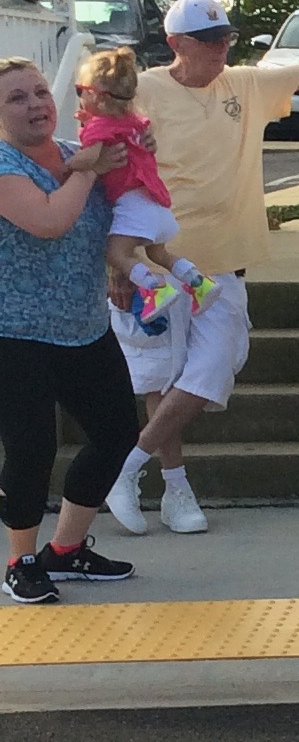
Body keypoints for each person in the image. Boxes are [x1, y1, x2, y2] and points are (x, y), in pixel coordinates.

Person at [108, 0, 299, 537]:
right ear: (176, 43)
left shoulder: (244, 83)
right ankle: (175, 489)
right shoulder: (142, 91)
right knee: (161, 378)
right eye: (208, 39)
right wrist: (115, 264)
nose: (220, 48)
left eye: (225, 37)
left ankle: (126, 467)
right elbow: (110, 174)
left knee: (214, 367)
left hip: (222, 266)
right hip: (155, 263)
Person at [0, 56, 142, 604]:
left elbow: (121, 212)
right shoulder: (9, 164)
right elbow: (49, 221)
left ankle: (66, 548)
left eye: (40, 92)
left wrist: (137, 154)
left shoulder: (76, 151)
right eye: (17, 98)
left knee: (117, 434)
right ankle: (20, 559)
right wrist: (87, 169)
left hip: (84, 325)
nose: (36, 104)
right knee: (31, 450)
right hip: (15, 333)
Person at [70, 46, 216, 327]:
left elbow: (89, 157)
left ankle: (154, 289)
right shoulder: (135, 122)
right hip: (157, 204)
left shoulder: (100, 126)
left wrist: (65, 165)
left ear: (97, 97)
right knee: (158, 253)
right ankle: (198, 282)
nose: (79, 98)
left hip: (133, 206)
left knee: (116, 254)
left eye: (80, 91)